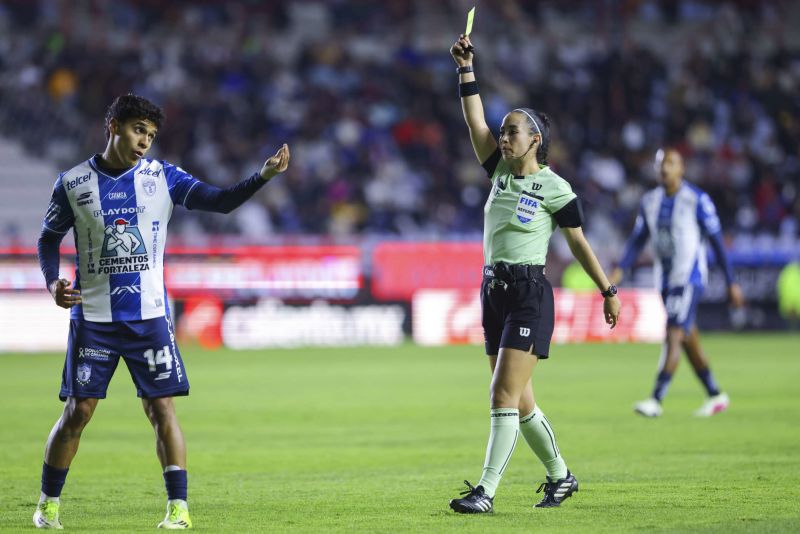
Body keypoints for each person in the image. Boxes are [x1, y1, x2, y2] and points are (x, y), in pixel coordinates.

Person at [34, 94, 290, 530]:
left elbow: (222, 201)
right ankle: (47, 506)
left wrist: (263, 175)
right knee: (78, 412)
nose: (144, 142)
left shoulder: (163, 177)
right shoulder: (73, 183)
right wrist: (53, 282)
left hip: (150, 318)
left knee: (162, 409)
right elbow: (47, 239)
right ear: (113, 125)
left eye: (151, 135)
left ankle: (179, 509)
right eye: (137, 130)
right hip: (93, 319)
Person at [447, 34, 621, 514]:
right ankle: (561, 477)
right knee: (519, 400)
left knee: (501, 392)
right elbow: (474, 119)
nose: (503, 137)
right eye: (503, 132)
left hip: (528, 293)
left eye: (513, 132)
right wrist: (467, 68)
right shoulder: (499, 170)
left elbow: (578, 243)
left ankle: (485, 491)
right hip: (493, 292)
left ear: (535, 140)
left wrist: (608, 290)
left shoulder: (554, 188)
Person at [610, 148, 744, 418]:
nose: (664, 168)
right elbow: (638, 239)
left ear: (682, 168)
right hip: (665, 279)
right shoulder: (650, 201)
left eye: (670, 163)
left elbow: (717, 242)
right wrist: (621, 269)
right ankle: (715, 394)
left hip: (689, 277)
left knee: (673, 331)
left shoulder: (697, 200)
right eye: (660, 163)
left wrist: (732, 282)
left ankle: (656, 398)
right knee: (686, 336)